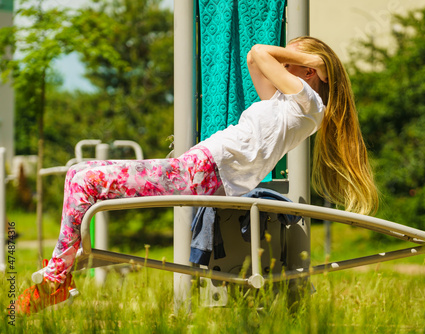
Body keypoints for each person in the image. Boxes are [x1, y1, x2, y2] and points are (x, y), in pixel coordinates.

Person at [16, 36, 378, 315]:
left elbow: (259, 49)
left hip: (203, 171)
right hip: (201, 168)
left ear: (308, 71)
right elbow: (255, 57)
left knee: (83, 181)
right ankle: (61, 270)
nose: (282, 60)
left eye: (291, 59)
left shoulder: (308, 103)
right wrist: (304, 58)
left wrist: (311, 57)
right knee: (78, 171)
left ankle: (56, 278)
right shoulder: (285, 103)